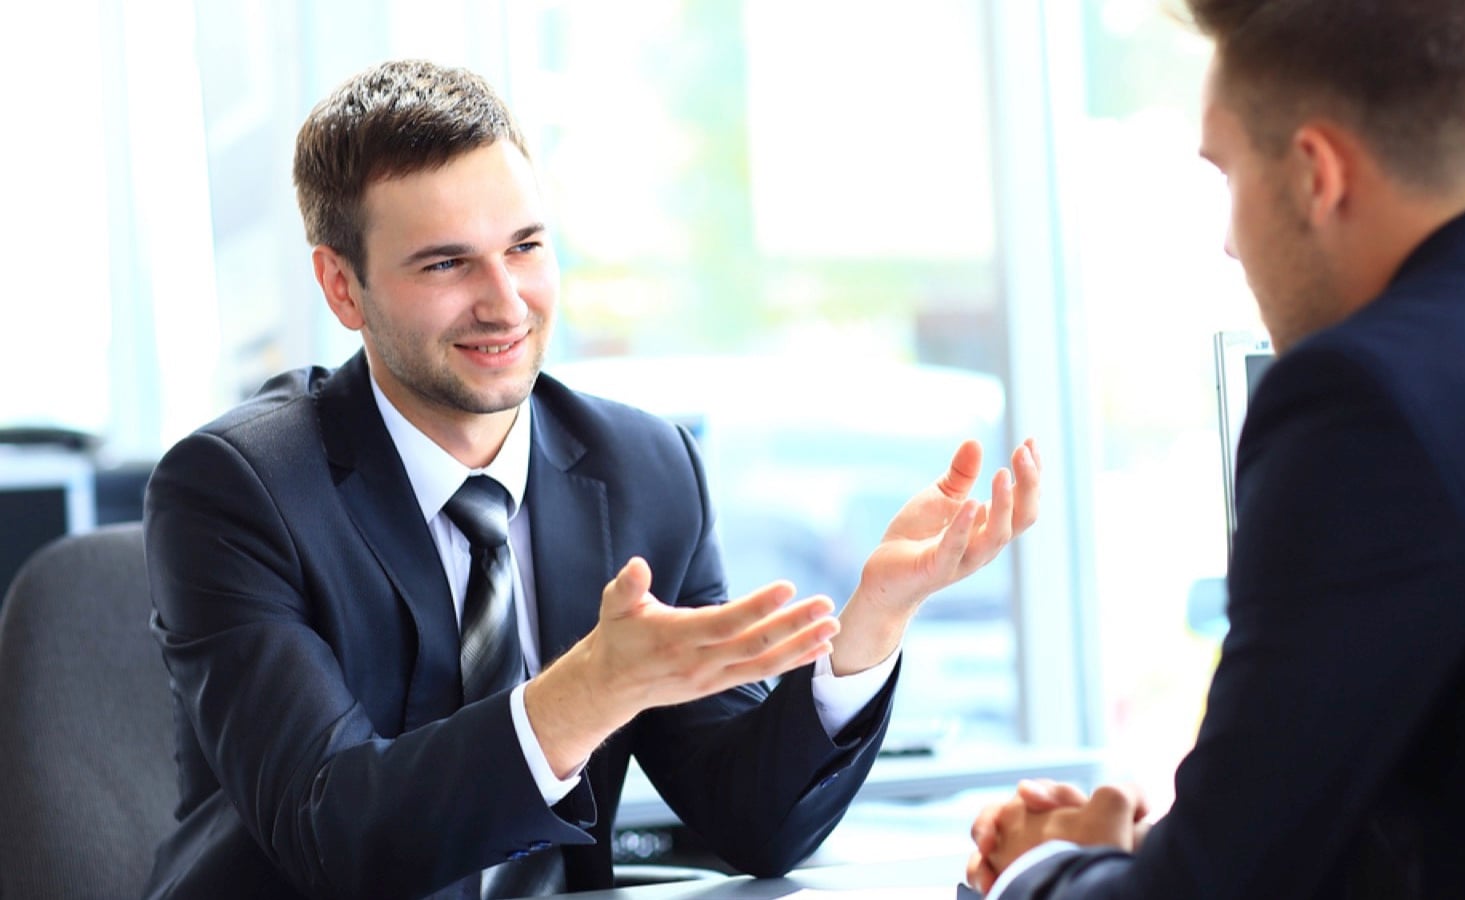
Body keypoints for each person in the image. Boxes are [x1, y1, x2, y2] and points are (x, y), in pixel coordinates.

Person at [142, 59, 1040, 900]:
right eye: (447, 263)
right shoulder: (238, 490)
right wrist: (589, 693)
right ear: (343, 288)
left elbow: (753, 824)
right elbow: (332, 830)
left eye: (526, 246)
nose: (505, 302)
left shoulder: (645, 470)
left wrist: (870, 629)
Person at [967, 1, 1465, 897]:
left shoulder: (1369, 399)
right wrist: (1147, 851)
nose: (1229, 244)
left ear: (1316, 174)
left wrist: (1040, 867)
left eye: (1226, 175)